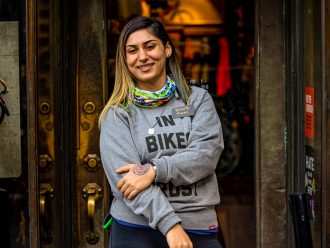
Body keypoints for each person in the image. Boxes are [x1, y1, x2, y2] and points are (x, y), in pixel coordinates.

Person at [99, 15, 224, 248]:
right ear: (125, 60)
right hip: (135, 229)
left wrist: (153, 170)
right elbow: (126, 182)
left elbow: (205, 155)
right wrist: (170, 225)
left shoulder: (197, 100)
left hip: (197, 224)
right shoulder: (117, 113)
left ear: (167, 49)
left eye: (150, 46)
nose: (143, 57)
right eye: (132, 50)